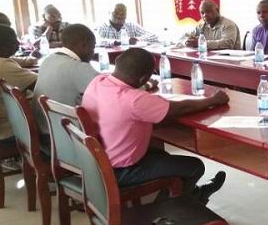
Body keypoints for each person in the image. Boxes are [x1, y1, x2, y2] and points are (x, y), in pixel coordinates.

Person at [81, 47, 229, 200]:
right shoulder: (134, 100)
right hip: (121, 171)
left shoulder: (98, 81)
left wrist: (145, 87)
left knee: (162, 155)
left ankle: (186, 195)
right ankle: (186, 202)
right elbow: (180, 108)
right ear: (143, 78)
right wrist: (213, 100)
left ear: (117, 61)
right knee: (194, 166)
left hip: (97, 163)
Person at [32, 24, 98, 133]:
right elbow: (109, 93)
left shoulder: (48, 59)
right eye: (93, 47)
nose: (93, 52)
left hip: (45, 129)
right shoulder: (79, 68)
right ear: (84, 43)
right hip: (68, 135)